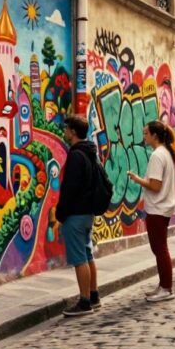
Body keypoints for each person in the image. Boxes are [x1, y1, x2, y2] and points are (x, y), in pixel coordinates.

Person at [128, 121, 175, 302]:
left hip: (158, 208)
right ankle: (163, 285)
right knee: (159, 248)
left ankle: (166, 288)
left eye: (146, 133)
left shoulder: (157, 155)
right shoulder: (166, 153)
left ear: (155, 136)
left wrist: (137, 179)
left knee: (160, 249)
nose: (144, 136)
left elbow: (155, 185)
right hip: (162, 207)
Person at [56, 115, 102, 317]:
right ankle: (93, 295)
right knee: (87, 254)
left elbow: (70, 188)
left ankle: (84, 302)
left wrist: (61, 212)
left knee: (79, 259)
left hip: (76, 213)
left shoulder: (76, 155)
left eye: (67, 129)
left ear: (73, 131)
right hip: (87, 213)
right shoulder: (91, 151)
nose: (65, 132)